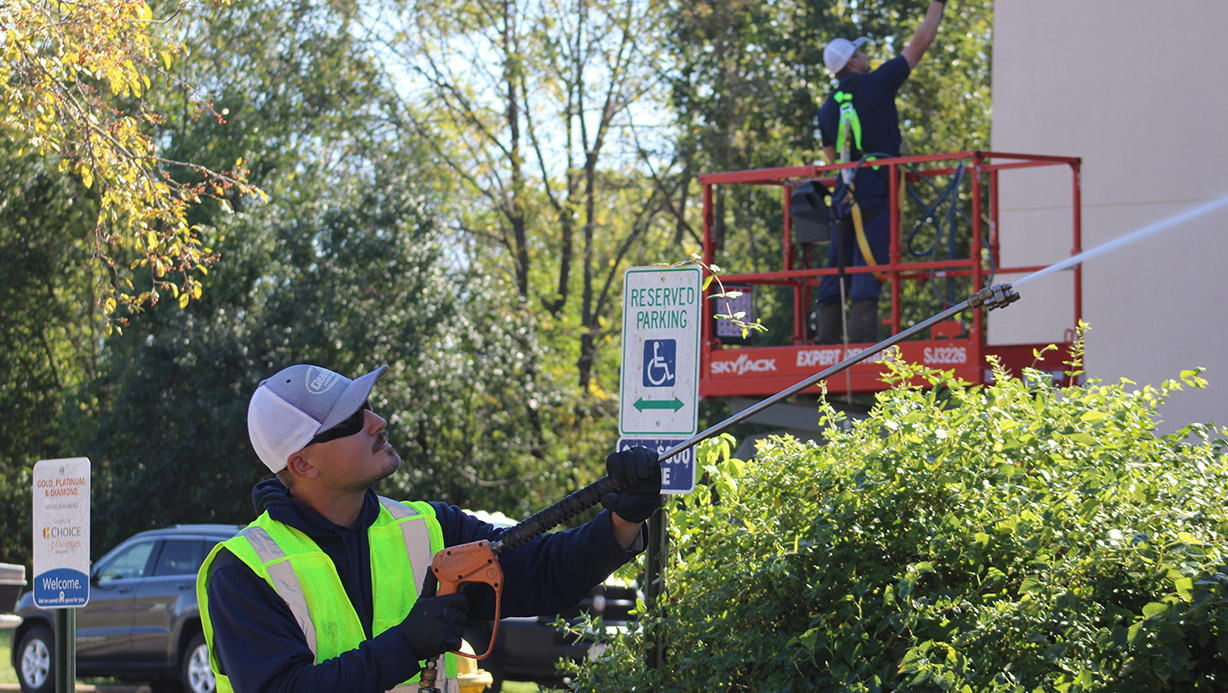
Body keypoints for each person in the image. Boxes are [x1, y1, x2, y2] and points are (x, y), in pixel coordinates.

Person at [196, 363, 661, 692]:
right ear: (303, 463)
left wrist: (623, 518)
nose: (378, 422)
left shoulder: (428, 527)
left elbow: (542, 571)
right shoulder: (243, 573)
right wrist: (406, 643)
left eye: (369, 407)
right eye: (353, 420)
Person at [813, 0, 947, 345]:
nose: (864, 56)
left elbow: (832, 161)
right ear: (853, 62)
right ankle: (862, 349)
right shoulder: (879, 83)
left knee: (836, 266)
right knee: (868, 269)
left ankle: (825, 347)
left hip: (845, 196)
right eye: (859, 53)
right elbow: (921, 43)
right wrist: (938, 4)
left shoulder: (827, 109)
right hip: (877, 189)